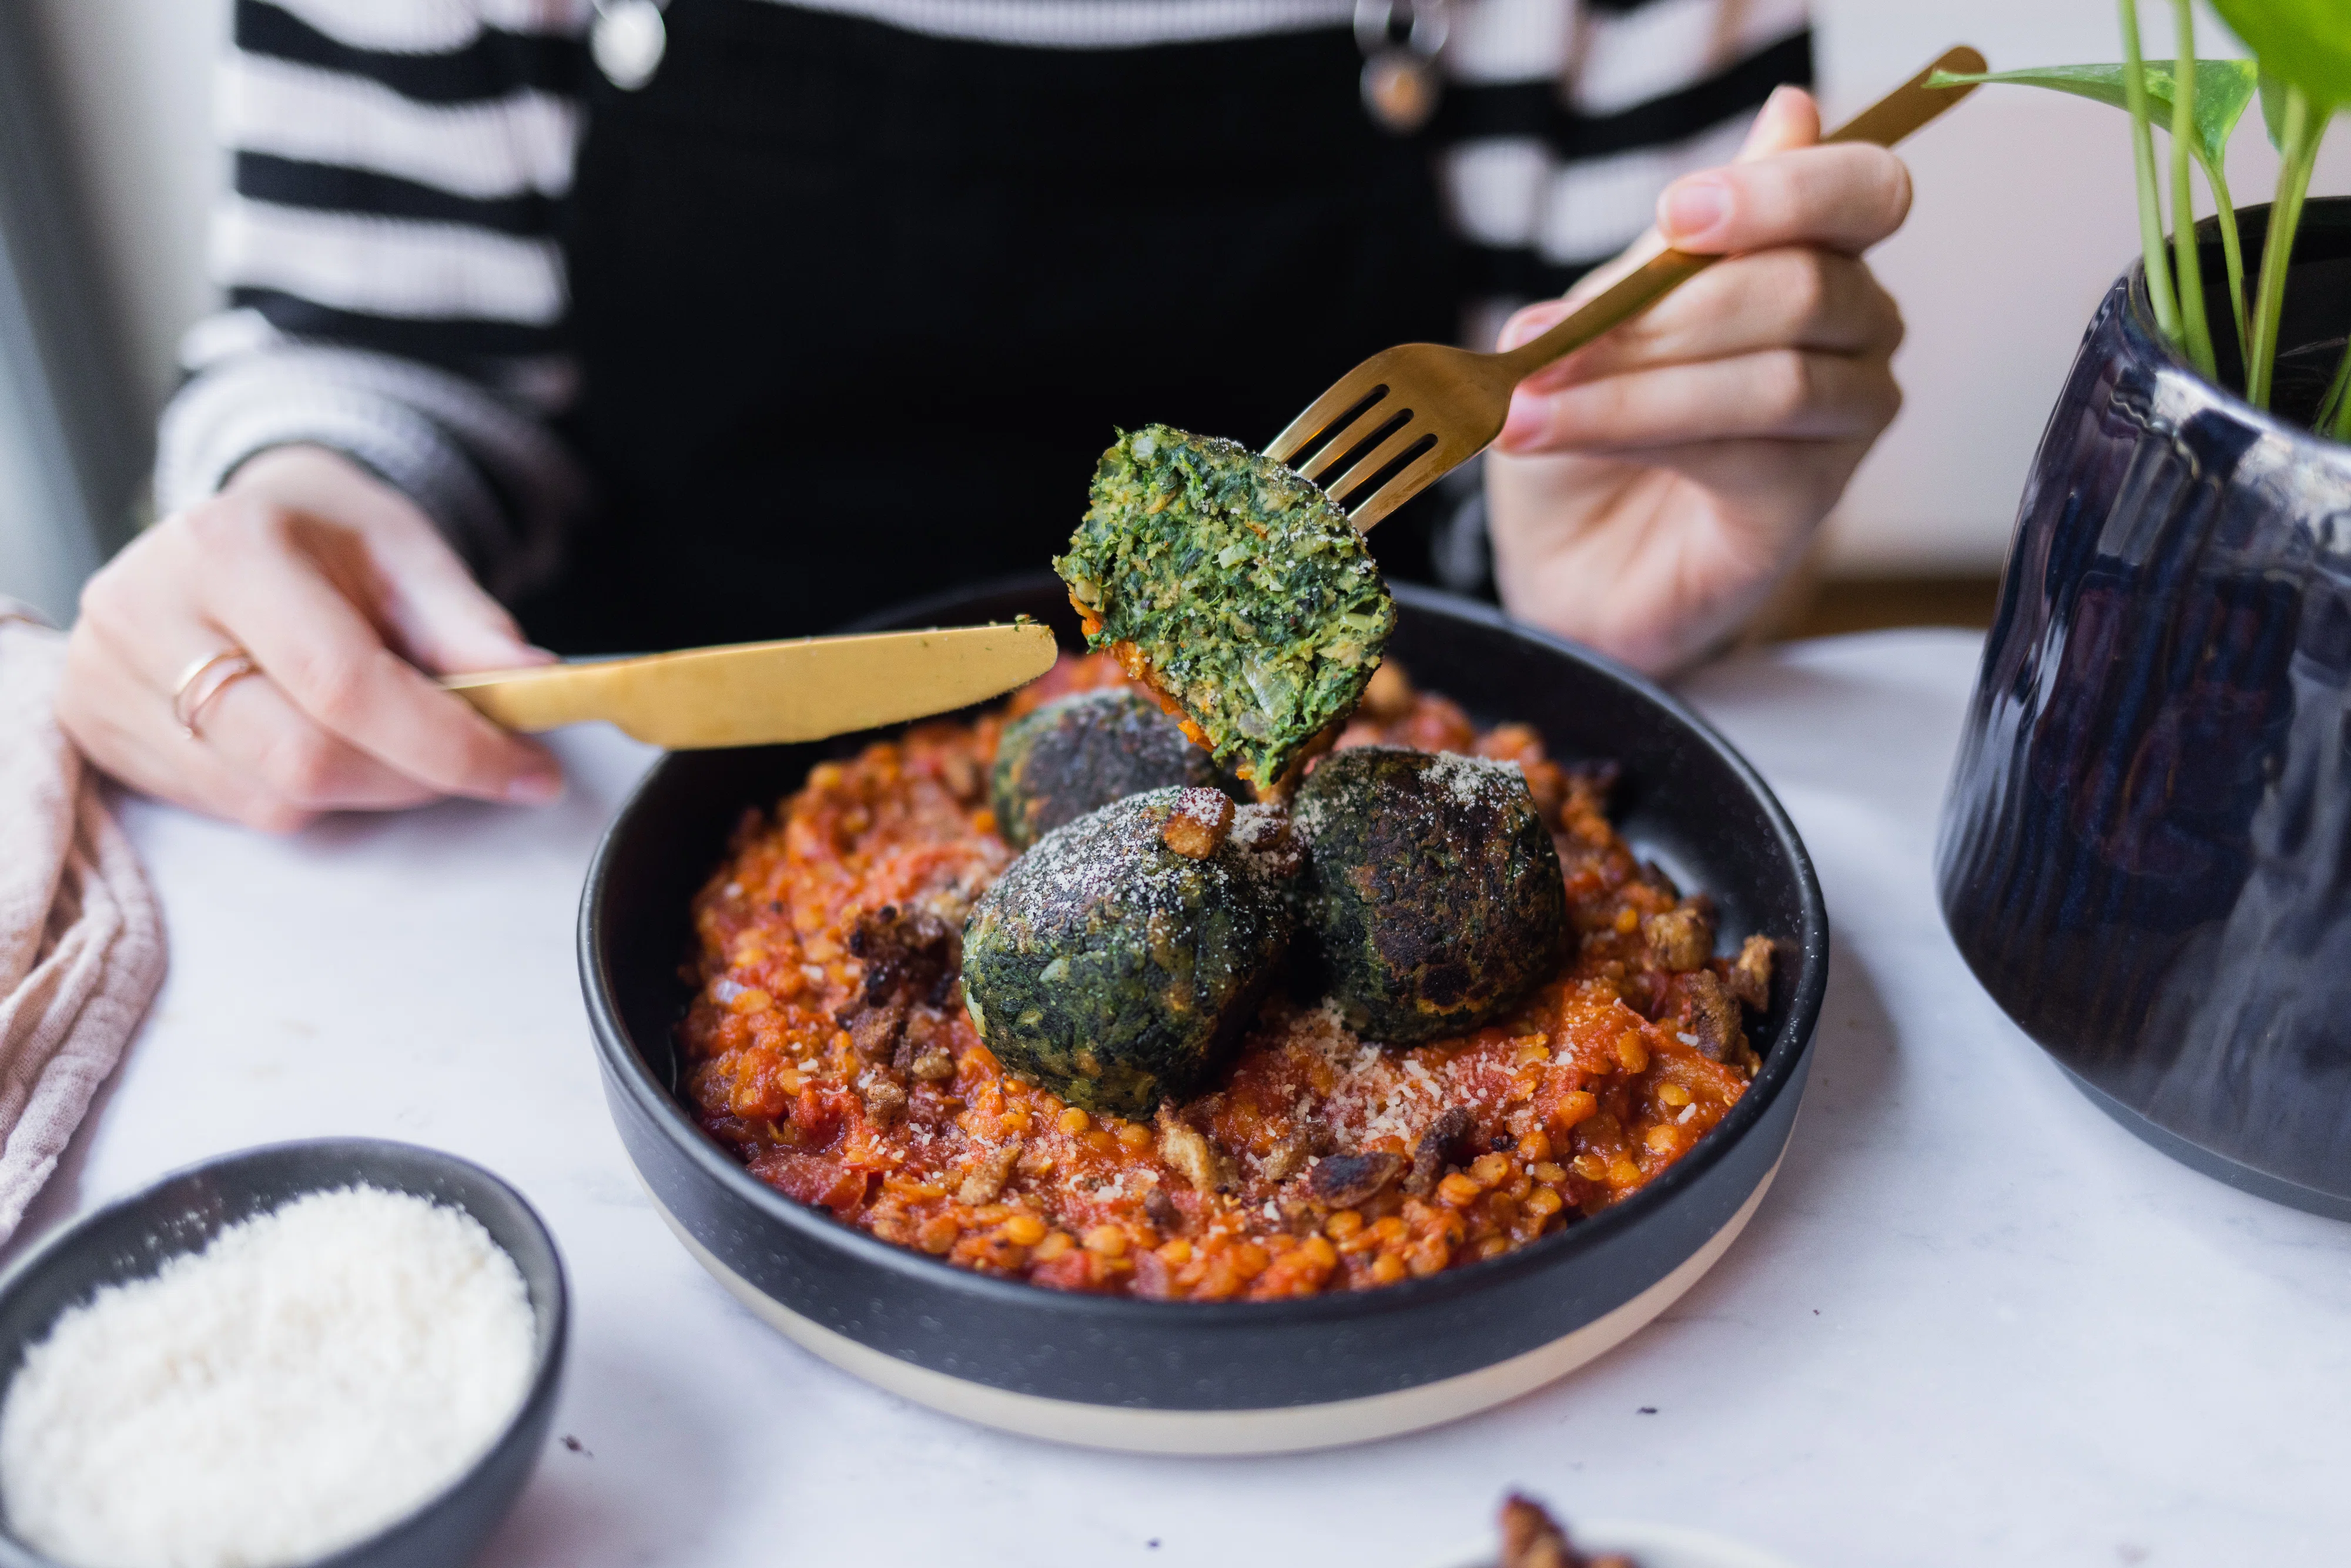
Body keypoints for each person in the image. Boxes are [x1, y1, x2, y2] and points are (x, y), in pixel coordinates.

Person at [56, 0, 1908, 832]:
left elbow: (1598, 442)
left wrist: (1583, 567)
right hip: (602, 835)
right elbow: (376, 354)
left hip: (1377, 751)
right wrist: (299, 503)